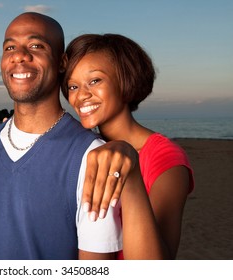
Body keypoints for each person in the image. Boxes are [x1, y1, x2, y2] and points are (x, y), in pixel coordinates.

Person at [0, 12, 163, 260]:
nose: (19, 55)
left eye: (36, 45)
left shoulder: (92, 157)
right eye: (9, 47)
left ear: (62, 63)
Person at [61, 33, 195, 259]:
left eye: (95, 81)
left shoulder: (167, 159)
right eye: (73, 86)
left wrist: (131, 176)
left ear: (126, 79)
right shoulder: (80, 148)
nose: (81, 95)